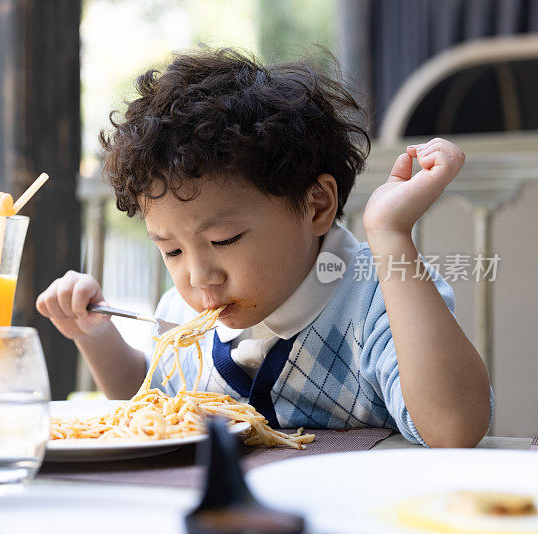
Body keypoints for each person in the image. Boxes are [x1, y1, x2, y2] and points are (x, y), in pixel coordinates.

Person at [36, 48, 491, 447]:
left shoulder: (381, 295)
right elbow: (151, 404)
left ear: (317, 206)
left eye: (223, 240)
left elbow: (454, 429)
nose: (199, 277)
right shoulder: (181, 311)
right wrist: (95, 336)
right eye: (172, 251)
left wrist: (391, 234)